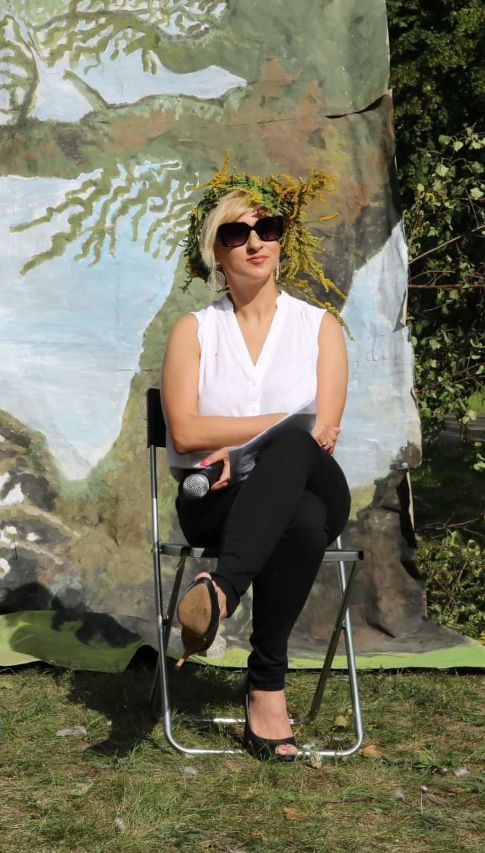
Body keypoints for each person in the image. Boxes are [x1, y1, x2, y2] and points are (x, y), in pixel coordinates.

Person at [160, 162, 350, 761]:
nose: (254, 242)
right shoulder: (193, 331)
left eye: (266, 228)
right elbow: (184, 431)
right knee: (302, 519)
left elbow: (321, 434)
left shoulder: (320, 328)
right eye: (235, 233)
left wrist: (245, 439)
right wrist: (277, 423)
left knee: (296, 451)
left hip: (309, 475)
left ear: (281, 240)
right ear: (215, 252)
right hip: (216, 500)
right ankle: (267, 687)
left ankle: (220, 590)